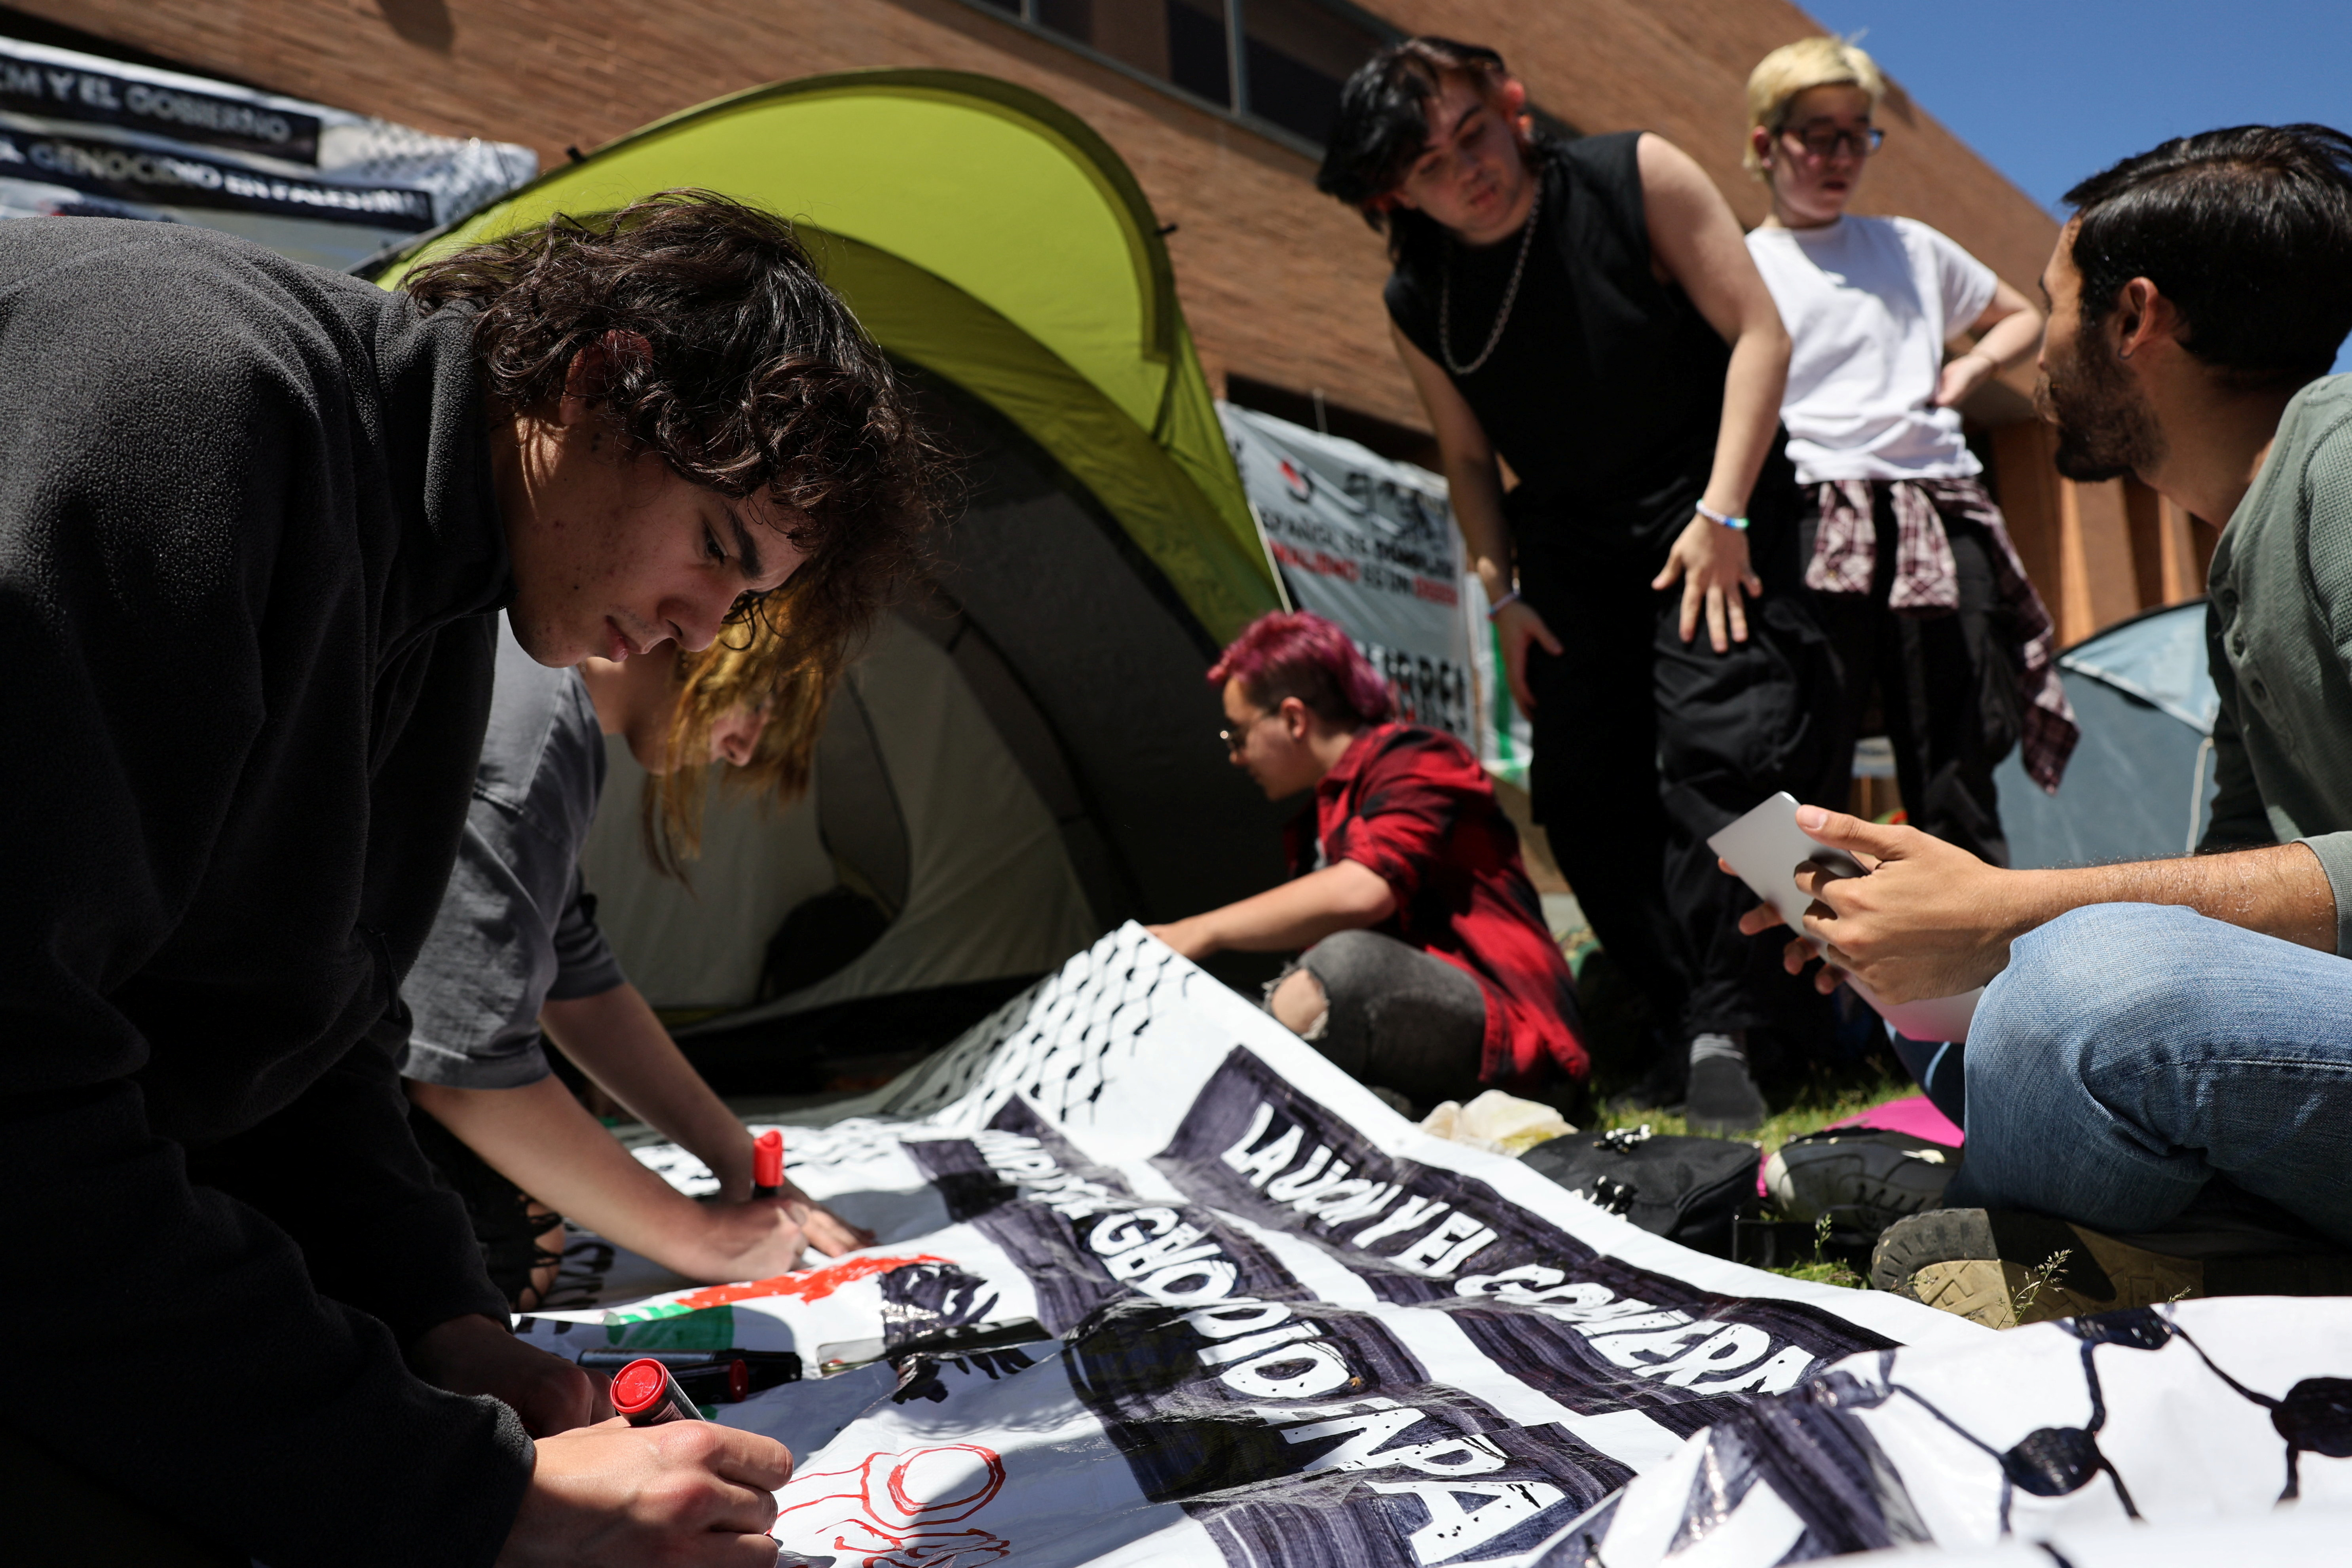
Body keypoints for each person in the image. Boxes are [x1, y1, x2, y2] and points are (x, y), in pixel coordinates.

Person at [0, 193, 936, 1566]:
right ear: (604, 382)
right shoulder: (197, 415)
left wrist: (445, 1321)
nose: (695, 632)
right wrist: (488, 1495)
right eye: (716, 553)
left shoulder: (440, 600)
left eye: (744, 606)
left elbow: (305, 1041)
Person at [1739, 125, 2352, 1323]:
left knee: (2079, 988)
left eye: (2046, 306)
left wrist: (2019, 913)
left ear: (2132, 320)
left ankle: (2163, 1238)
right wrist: (1940, 938)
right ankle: (2231, 1259)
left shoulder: (2344, 461)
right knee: (1964, 1009)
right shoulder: (2241, 552)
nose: (2035, 349)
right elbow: (2236, 892)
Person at [1317, 36, 1840, 1134]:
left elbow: (1758, 334)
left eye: (1472, 131)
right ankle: (1675, 1006)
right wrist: (1498, 596)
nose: (1468, 167)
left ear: (1509, 104)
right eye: (1428, 164)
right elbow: (1465, 457)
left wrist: (1722, 514)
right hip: (1568, 543)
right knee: (1581, 791)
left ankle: (1749, 1025)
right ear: (1390, 192)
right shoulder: (1419, 297)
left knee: (1731, 754)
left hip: (1713, 501)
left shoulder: (1631, 175)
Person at [401, 621, 872, 1314]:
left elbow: (576, 976)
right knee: (513, 1250)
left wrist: (737, 1159)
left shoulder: (552, 707)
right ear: (714, 631)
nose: (742, 750)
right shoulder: (536, 729)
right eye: (761, 701)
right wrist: (705, 1240)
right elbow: (464, 1069)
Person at [1742, 38, 2075, 883]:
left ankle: (1973, 997)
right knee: (1799, 748)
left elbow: (2018, 315)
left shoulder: (1909, 246)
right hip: (1813, 508)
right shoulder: (1743, 263)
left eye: (1856, 135)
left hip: (1936, 506)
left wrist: (1968, 367)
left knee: (1956, 752)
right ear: (1763, 143)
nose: (1838, 156)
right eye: (1817, 134)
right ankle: (1799, 989)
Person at [1148, 611, 1585, 1113]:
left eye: (1238, 734)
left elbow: (1365, 889)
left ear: (1293, 718)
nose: (1236, 757)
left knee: (1342, 965)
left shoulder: (1418, 757)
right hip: (1417, 1039)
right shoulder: (1316, 817)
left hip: (1517, 1041)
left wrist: (1202, 931)